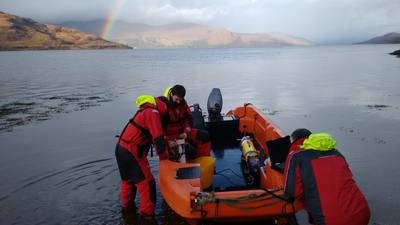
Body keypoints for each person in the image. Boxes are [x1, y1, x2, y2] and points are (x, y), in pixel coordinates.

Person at [283, 132, 370, 225]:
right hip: (363, 213)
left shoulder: (295, 156)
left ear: (293, 142)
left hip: (332, 221)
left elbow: (292, 192)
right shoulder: (336, 153)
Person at [115, 95, 168, 216]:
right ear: (163, 106)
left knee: (128, 181)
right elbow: (158, 140)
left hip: (120, 149)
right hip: (131, 151)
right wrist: (164, 160)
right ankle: (147, 217)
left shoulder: (144, 110)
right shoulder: (153, 112)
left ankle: (127, 210)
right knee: (147, 184)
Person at [156, 85, 211, 160]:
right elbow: (157, 128)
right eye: (176, 99)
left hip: (182, 133)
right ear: (172, 94)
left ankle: (203, 162)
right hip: (168, 136)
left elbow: (188, 118)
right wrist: (167, 141)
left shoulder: (182, 103)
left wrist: (186, 131)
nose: (178, 102)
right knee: (190, 151)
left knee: (205, 136)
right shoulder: (161, 104)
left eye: (180, 100)